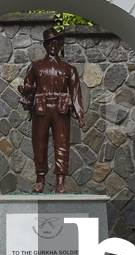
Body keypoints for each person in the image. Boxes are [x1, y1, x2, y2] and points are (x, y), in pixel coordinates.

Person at [18, 28, 85, 193]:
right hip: (41, 109)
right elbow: (27, 86)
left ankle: (60, 181)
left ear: (60, 44)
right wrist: (26, 90)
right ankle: (40, 178)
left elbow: (75, 92)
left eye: (56, 42)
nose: (53, 45)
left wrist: (79, 114)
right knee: (39, 144)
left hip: (61, 110)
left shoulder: (69, 69)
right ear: (45, 45)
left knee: (62, 145)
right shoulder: (35, 66)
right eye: (50, 42)